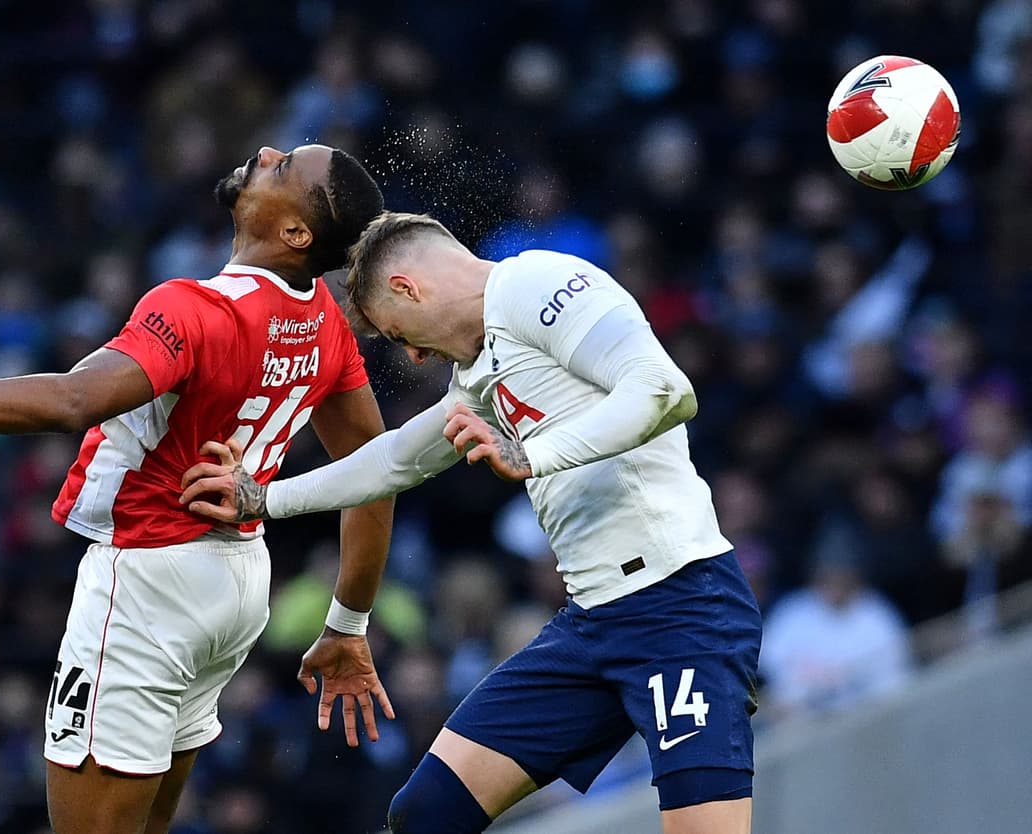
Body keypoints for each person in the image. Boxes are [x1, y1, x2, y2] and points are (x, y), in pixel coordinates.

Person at [0, 144, 397, 834]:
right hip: (236, 583)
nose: (264, 153)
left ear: (296, 233)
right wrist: (349, 621)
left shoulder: (191, 307)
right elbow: (378, 471)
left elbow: (76, 400)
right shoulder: (323, 320)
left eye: (285, 166)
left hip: (147, 581)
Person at [181, 211, 763, 834]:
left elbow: (664, 389)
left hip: (680, 607)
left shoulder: (539, 283)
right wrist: (262, 498)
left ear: (408, 289)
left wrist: (535, 454)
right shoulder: (479, 368)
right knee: (426, 814)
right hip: (595, 622)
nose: (410, 351)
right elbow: (395, 459)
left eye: (395, 329)